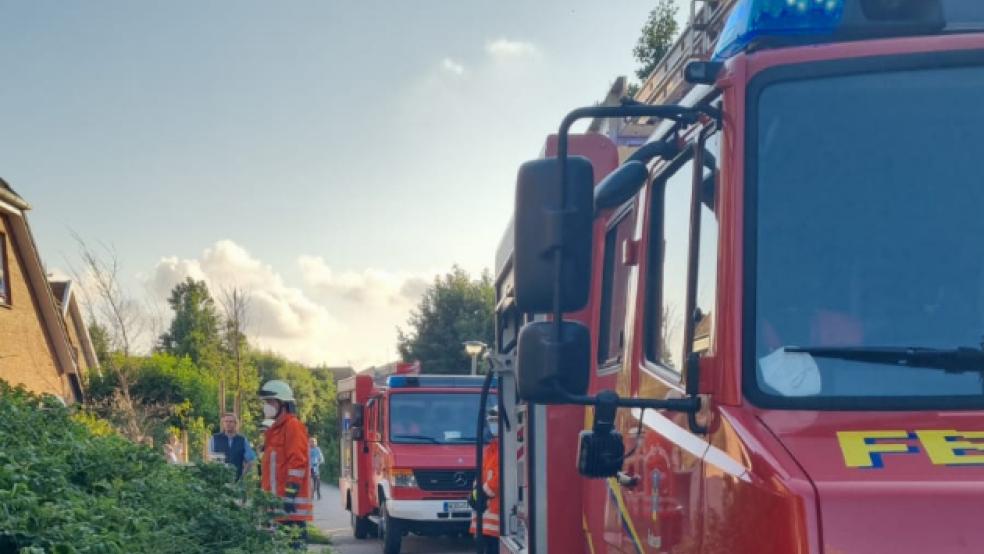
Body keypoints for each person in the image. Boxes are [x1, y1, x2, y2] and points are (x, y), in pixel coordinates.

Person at [259, 380, 312, 548]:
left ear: (282, 403)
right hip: (276, 507)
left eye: (270, 402)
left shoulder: (292, 426)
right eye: (266, 402)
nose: (266, 406)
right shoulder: (274, 430)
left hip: (290, 508)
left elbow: (298, 462)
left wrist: (290, 494)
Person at [470, 406, 500, 554]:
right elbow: (481, 473)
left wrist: (484, 493)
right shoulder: (491, 449)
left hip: (497, 517)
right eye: (491, 421)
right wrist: (474, 493)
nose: (493, 424)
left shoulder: (505, 448)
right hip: (485, 516)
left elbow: (500, 477)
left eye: (496, 421)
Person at [210, 413, 256, 481]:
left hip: (236, 479)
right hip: (218, 479)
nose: (228, 424)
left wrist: (242, 477)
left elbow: (250, 460)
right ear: (223, 423)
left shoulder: (242, 440)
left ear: (235, 424)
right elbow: (211, 459)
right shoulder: (215, 438)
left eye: (231, 421)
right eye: (226, 421)